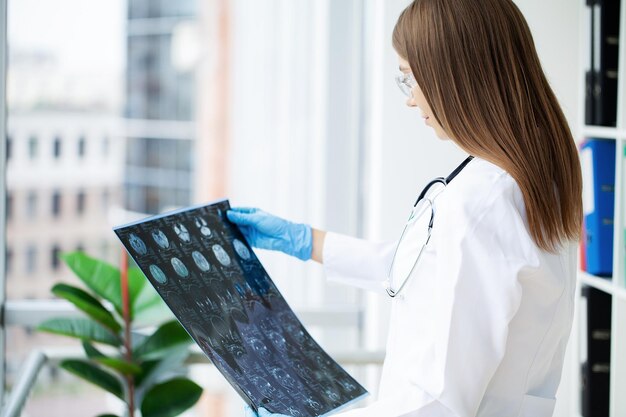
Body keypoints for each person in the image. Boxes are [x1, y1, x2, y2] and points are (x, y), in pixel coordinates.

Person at [232, 0, 582, 415]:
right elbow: (432, 272)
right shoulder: (529, 175)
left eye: (409, 78)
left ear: (455, 75)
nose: (411, 101)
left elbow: (440, 403)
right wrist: (310, 243)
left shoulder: (482, 203)